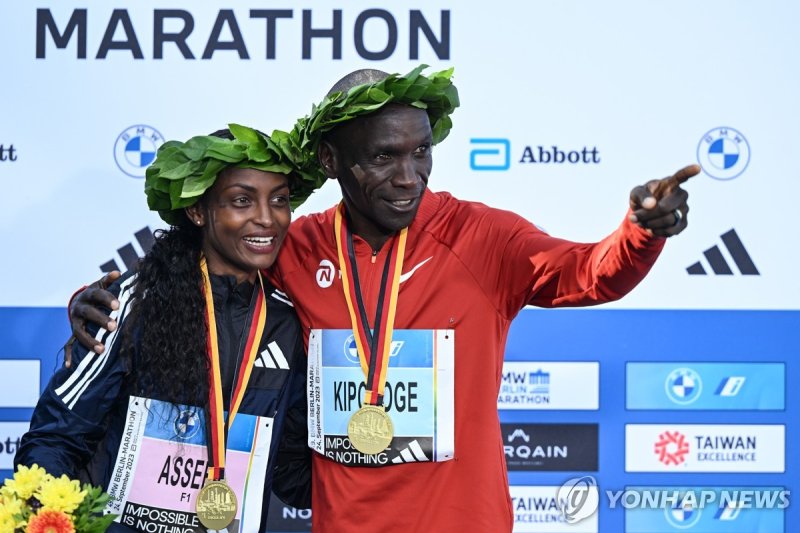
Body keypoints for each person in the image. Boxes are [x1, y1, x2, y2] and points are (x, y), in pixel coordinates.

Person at [67, 66, 697, 532]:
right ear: (332, 160)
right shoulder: (299, 246)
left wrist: (641, 231)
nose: (409, 176)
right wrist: (106, 303)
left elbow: (588, 273)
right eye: (383, 157)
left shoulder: (480, 236)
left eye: (421, 152)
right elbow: (205, 275)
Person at [16, 125, 323, 532]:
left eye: (279, 200)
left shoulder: (286, 320)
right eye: (242, 200)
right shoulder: (133, 301)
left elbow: (289, 469)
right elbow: (57, 438)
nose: (266, 218)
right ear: (198, 212)